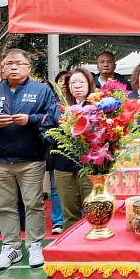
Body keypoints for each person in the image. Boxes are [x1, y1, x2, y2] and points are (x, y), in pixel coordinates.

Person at [0, 48, 57, 272]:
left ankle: (35, 244)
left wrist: (31, 119)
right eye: (9, 63)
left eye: (19, 63)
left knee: (33, 204)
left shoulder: (41, 91)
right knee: (5, 206)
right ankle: (10, 247)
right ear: (2, 67)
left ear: (28, 67)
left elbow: (52, 117)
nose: (13, 67)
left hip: (31, 158)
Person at [50, 68, 94, 231]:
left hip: (91, 167)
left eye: (81, 82)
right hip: (64, 165)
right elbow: (46, 130)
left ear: (89, 85)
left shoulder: (99, 106)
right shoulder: (58, 107)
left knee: (94, 210)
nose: (77, 86)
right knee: (69, 213)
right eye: (73, 82)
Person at [45, 72, 67, 234]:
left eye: (68, 81)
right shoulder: (52, 106)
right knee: (55, 188)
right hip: (56, 152)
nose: (65, 84)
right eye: (61, 81)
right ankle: (58, 220)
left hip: (79, 155)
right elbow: (44, 128)